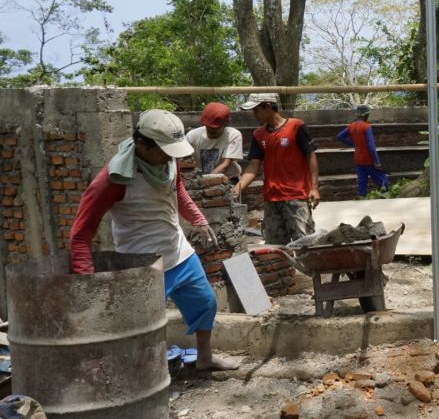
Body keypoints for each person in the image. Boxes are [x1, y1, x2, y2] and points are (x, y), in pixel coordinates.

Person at [69, 109, 240, 371]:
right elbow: (81, 233)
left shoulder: (169, 161)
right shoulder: (112, 179)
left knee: (206, 304)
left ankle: (204, 358)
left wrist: (198, 219)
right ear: (141, 144)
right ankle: (145, 374)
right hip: (143, 265)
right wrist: (86, 281)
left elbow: (177, 189)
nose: (168, 157)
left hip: (179, 253)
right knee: (143, 326)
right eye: (162, 151)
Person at [233, 92, 320, 245]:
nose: (254, 115)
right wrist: (238, 187)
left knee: (306, 243)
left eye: (256, 110)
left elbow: (311, 156)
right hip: (271, 198)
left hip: (296, 196)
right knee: (275, 248)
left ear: (267, 106)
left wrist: (314, 188)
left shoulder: (296, 126)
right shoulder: (258, 134)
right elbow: (254, 165)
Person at [336, 104, 390, 197]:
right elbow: (371, 146)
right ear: (366, 115)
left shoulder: (351, 126)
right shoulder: (366, 127)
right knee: (383, 181)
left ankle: (362, 199)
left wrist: (353, 144)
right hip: (368, 160)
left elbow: (339, 136)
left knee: (362, 185)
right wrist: (377, 162)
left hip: (358, 160)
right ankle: (386, 198)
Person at [185, 101, 243, 179]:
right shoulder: (192, 136)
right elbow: (185, 161)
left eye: (215, 129)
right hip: (201, 179)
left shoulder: (233, 135)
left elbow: (225, 164)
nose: (211, 131)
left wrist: (206, 180)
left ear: (226, 124)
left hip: (229, 178)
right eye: (209, 128)